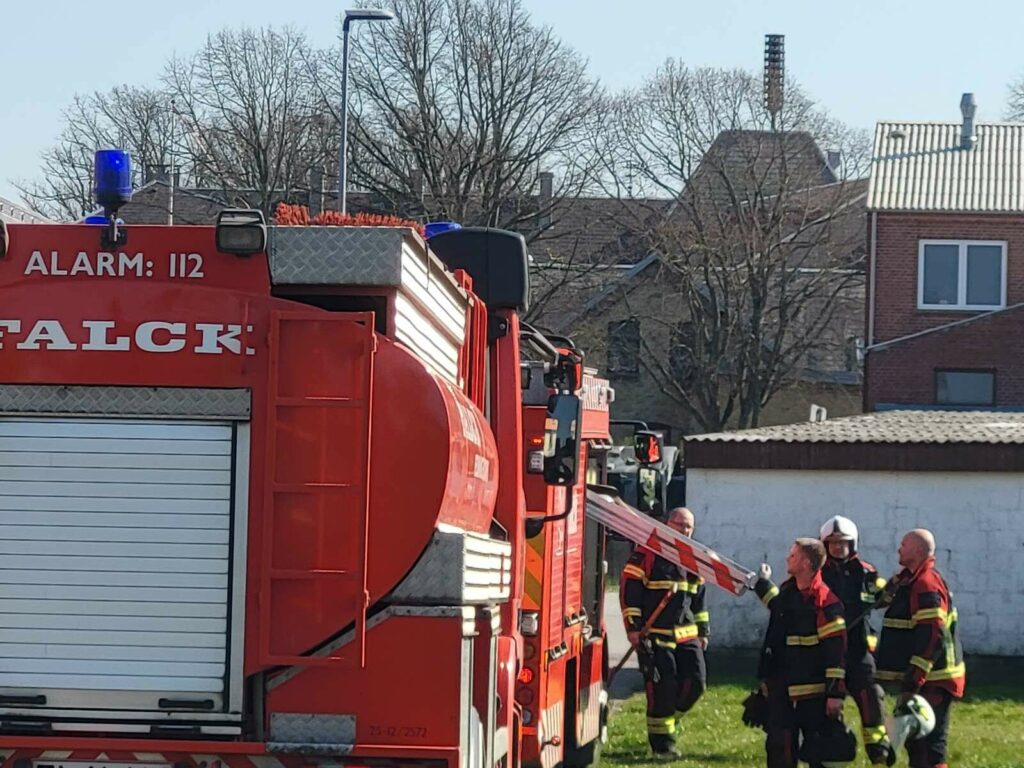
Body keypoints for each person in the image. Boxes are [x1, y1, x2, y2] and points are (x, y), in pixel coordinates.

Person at [620, 507, 709, 758]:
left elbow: (699, 600)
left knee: (697, 683)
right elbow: (630, 591)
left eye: (689, 527)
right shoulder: (648, 553)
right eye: (680, 525)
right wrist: (633, 628)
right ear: (668, 524)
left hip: (686, 633)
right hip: (654, 634)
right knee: (662, 689)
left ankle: (669, 720)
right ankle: (662, 747)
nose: (685, 531)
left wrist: (703, 631)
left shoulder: (694, 559)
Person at [753, 538, 848, 768]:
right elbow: (778, 606)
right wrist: (761, 583)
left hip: (811, 694)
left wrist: (835, 694)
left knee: (817, 752)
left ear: (805, 563)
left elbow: (836, 653)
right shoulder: (789, 590)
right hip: (781, 689)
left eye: (793, 555)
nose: (788, 558)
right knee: (779, 748)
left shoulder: (825, 602)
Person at [875, 529, 965, 768]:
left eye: (904, 545)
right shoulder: (912, 580)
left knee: (928, 749)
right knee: (917, 746)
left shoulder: (926, 584)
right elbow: (879, 601)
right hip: (927, 679)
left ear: (917, 550)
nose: (899, 549)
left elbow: (931, 637)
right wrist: (896, 582)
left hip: (934, 679)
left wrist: (913, 682)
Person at [819, 516, 893, 764]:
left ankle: (879, 750)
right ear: (825, 544)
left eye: (843, 542)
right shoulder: (818, 572)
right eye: (833, 543)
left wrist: (892, 590)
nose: (838, 547)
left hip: (859, 649)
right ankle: (832, 750)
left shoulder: (866, 572)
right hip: (827, 649)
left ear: (853, 544)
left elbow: (883, 595)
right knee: (826, 702)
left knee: (871, 695)